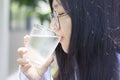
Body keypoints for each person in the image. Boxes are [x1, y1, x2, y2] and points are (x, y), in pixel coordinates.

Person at [17, 0, 120, 80]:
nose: (53, 26)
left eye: (60, 13)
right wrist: (37, 78)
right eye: (53, 14)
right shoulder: (69, 70)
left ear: (89, 16)